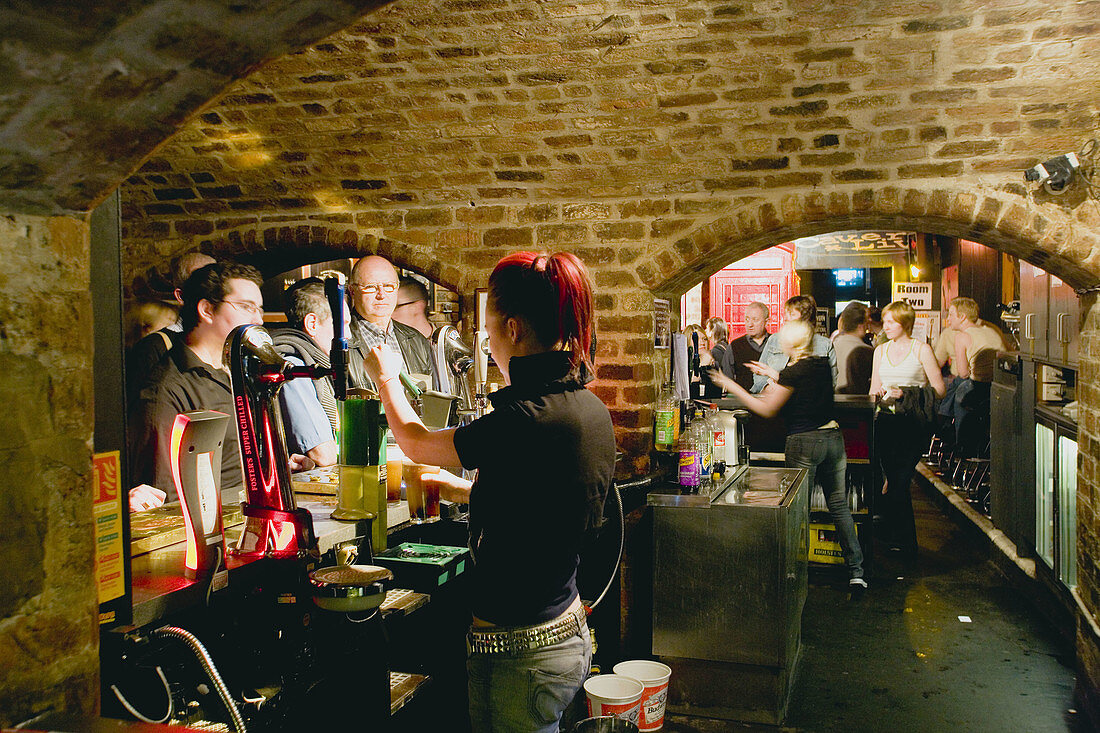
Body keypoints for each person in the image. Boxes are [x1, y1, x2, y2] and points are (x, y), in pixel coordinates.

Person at [363, 251, 616, 733]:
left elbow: (415, 442)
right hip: (565, 630)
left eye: (489, 328)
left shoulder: (522, 418)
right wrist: (462, 491)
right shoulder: (587, 408)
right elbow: (540, 503)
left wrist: (385, 376)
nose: (485, 340)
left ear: (514, 329)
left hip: (522, 655)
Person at [710, 320, 866, 595]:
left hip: (805, 442)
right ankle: (856, 572)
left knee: (798, 512)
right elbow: (800, 381)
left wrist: (730, 385)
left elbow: (767, 408)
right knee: (839, 505)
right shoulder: (818, 363)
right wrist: (773, 373)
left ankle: (793, 573)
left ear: (790, 345)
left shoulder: (793, 372)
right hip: (833, 439)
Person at [128, 262, 266, 509]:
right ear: (207, 309)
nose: (258, 319)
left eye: (259, 310)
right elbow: (163, 498)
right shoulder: (167, 389)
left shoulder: (239, 374)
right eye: (246, 307)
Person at [869, 300, 946, 560]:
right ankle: (900, 540)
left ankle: (904, 542)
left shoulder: (921, 349)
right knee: (893, 481)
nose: (886, 326)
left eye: (891, 322)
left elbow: (939, 390)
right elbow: (872, 390)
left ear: (905, 324)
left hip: (912, 425)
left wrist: (905, 393)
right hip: (886, 423)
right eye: (885, 322)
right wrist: (878, 393)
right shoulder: (880, 350)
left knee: (900, 481)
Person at [271, 277, 349, 468]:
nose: (349, 335)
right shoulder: (293, 367)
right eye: (342, 324)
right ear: (312, 324)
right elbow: (323, 454)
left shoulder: (315, 363)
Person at [126, 252, 217, 402]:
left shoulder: (226, 342)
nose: (211, 291)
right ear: (180, 296)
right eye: (201, 284)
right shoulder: (154, 348)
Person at [346, 255, 433, 389]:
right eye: (370, 287)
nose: (381, 295)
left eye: (388, 286)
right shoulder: (341, 342)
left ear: (397, 288)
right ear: (352, 291)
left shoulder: (417, 340)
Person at [750, 295, 837, 393]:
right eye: (785, 314)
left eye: (791, 314)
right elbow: (759, 374)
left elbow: (830, 383)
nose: (786, 319)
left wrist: (783, 387)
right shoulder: (774, 339)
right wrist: (767, 389)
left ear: (805, 317)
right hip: (774, 401)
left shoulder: (825, 345)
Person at [720, 301, 770, 390]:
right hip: (742, 402)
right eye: (747, 319)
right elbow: (727, 382)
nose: (750, 324)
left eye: (755, 320)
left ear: (766, 322)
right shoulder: (735, 346)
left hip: (773, 401)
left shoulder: (776, 344)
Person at [834, 302, 873, 394]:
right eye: (867, 320)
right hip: (858, 403)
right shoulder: (866, 351)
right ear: (861, 326)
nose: (870, 322)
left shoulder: (831, 346)